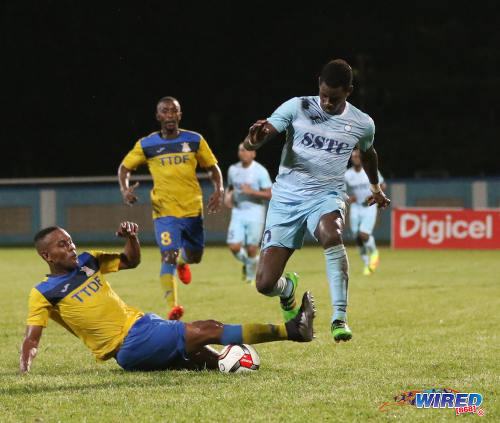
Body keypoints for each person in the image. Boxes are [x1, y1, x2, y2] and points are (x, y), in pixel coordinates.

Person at [19, 222, 315, 373]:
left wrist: (131, 238)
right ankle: (292, 331)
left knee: (199, 358)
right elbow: (32, 337)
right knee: (208, 328)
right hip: (130, 343)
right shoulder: (43, 293)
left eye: (70, 241)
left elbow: (130, 261)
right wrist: (25, 367)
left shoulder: (88, 260)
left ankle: (228, 363)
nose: (71, 248)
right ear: (46, 255)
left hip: (144, 325)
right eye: (62, 245)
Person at [242, 58, 390, 343]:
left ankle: (339, 317)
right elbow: (264, 134)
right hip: (285, 200)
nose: (326, 102)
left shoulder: (361, 123)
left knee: (332, 234)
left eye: (333, 98)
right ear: (318, 84)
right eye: (322, 94)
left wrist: (375, 187)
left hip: (326, 196)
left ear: (349, 90)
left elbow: (369, 154)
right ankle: (287, 289)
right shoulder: (297, 107)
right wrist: (253, 141)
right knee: (264, 284)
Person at [118, 96, 224, 321]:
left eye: (173, 111)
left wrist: (219, 189)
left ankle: (184, 263)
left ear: (179, 115)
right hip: (164, 211)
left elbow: (212, 167)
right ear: (158, 116)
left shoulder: (194, 140)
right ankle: (173, 308)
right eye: (164, 111)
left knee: (195, 256)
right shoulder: (147, 144)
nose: (169, 114)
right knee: (167, 256)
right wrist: (125, 190)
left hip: (193, 209)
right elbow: (125, 168)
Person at [224, 143, 272, 283]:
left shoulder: (260, 171)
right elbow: (231, 186)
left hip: (255, 211)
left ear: (253, 154)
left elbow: (269, 194)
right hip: (238, 211)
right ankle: (250, 262)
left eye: (246, 151)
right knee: (234, 246)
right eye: (240, 150)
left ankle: (250, 279)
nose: (243, 153)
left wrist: (251, 191)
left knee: (252, 248)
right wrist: (228, 196)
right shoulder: (233, 169)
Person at [345, 148, 386, 275]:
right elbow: (342, 190)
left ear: (362, 158)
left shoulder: (370, 171)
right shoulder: (347, 175)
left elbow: (382, 185)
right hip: (356, 207)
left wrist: (376, 195)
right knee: (356, 236)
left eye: (358, 156)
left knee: (364, 234)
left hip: (369, 206)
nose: (356, 159)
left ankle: (374, 253)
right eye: (354, 157)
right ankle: (367, 263)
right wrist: (348, 198)